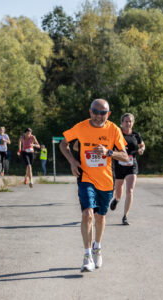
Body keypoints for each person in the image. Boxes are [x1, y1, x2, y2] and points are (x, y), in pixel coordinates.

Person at [60, 99, 128, 272]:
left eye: (102, 112)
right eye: (95, 111)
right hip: (86, 177)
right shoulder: (81, 127)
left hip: (105, 180)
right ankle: (87, 256)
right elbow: (63, 143)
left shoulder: (113, 129)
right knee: (87, 213)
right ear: (90, 112)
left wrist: (108, 152)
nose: (98, 115)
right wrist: (73, 162)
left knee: (100, 217)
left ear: (108, 114)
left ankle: (97, 247)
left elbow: (125, 156)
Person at [110, 113, 145, 225]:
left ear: (133, 123)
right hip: (119, 165)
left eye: (130, 121)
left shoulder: (136, 135)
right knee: (118, 189)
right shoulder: (117, 133)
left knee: (129, 191)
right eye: (125, 121)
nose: (128, 123)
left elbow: (142, 145)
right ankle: (116, 200)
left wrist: (141, 150)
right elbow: (110, 147)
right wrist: (118, 148)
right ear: (121, 123)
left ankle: (125, 216)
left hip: (131, 165)